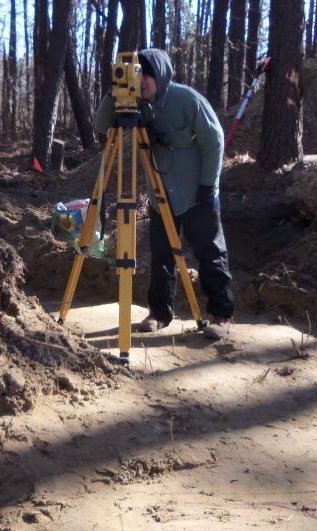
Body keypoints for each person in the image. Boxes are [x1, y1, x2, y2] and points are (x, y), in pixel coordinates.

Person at [94, 47, 235, 340]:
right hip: (162, 195)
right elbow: (101, 126)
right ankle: (159, 313)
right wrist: (117, 91)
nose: (142, 81)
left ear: (160, 74)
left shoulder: (187, 99)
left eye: (147, 74)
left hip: (198, 192)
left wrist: (208, 185)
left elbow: (215, 141)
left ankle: (221, 314)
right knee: (161, 255)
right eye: (137, 74)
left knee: (210, 252)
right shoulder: (135, 103)